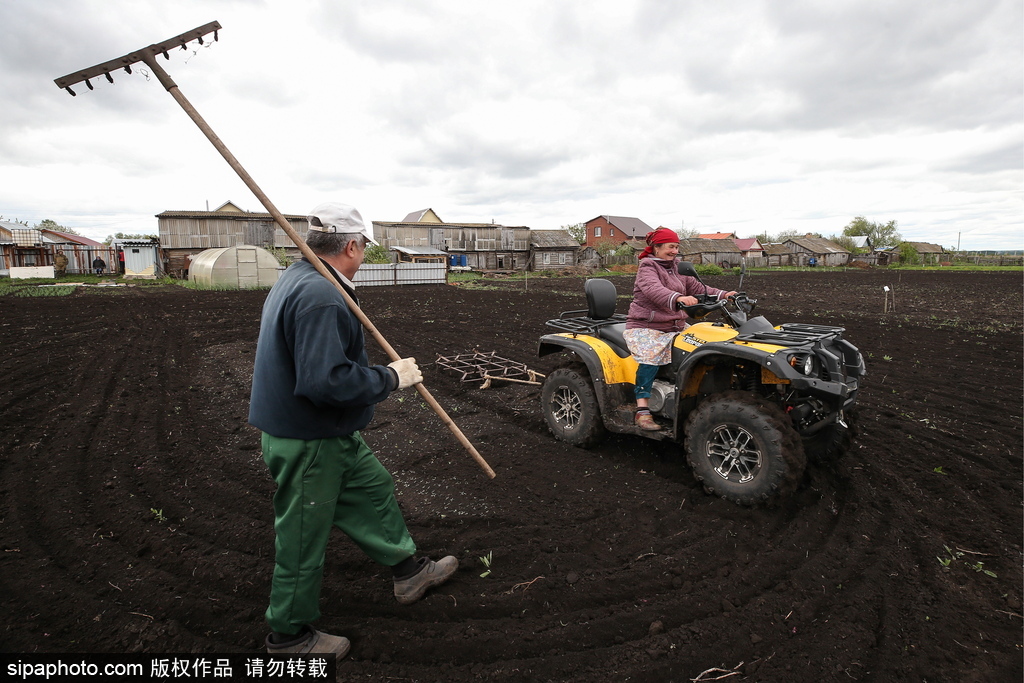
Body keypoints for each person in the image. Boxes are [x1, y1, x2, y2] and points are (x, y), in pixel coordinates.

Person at [248, 202, 458, 660]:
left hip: (326, 432)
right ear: (350, 245)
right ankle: (289, 636)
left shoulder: (300, 277)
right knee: (302, 535)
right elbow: (326, 382)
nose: (363, 256)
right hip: (307, 438)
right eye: (363, 247)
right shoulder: (321, 295)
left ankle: (409, 571)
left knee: (373, 487)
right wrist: (391, 377)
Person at [623, 228, 736, 431]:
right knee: (650, 357)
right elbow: (652, 289)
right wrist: (678, 298)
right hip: (647, 326)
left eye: (677, 246)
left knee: (705, 347)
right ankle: (642, 410)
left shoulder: (677, 268)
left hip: (675, 325)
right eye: (670, 246)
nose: (675, 251)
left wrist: (724, 294)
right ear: (656, 247)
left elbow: (699, 288)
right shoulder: (647, 267)